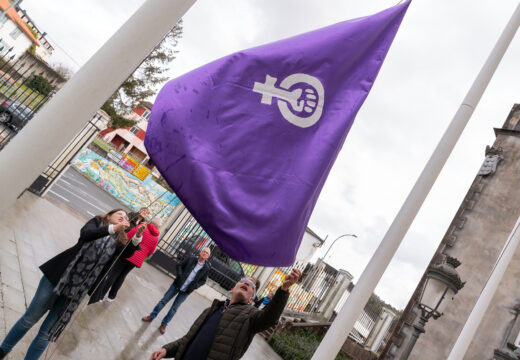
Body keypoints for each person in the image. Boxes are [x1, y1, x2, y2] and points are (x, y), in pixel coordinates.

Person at [0, 209, 142, 360]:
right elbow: (86, 234)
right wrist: (112, 229)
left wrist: (138, 236)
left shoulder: (119, 241)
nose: (123, 217)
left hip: (76, 292)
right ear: (109, 215)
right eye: (119, 213)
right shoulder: (96, 223)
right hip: (58, 278)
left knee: (46, 335)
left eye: (126, 217)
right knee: (29, 319)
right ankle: (3, 349)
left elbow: (126, 254)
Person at [149, 268, 302, 360]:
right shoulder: (211, 310)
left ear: (251, 299)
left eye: (252, 286)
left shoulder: (251, 316)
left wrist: (283, 291)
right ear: (231, 289)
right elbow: (188, 339)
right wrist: (167, 350)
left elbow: (270, 317)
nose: (247, 283)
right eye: (244, 281)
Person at [88, 217, 161, 303]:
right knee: (122, 276)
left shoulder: (142, 227)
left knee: (114, 273)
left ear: (151, 221)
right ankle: (111, 297)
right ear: (158, 226)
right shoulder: (156, 237)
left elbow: (128, 235)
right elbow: (151, 251)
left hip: (128, 253)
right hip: (137, 260)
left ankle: (100, 295)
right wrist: (142, 255)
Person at [142, 247, 211, 334]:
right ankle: (151, 316)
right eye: (203, 251)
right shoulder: (191, 259)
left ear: (208, 257)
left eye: (207, 253)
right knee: (163, 301)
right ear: (200, 252)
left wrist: (194, 286)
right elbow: (179, 265)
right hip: (177, 285)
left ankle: (164, 324)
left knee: (174, 308)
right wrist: (180, 276)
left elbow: (203, 281)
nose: (204, 253)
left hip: (186, 291)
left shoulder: (206, 268)